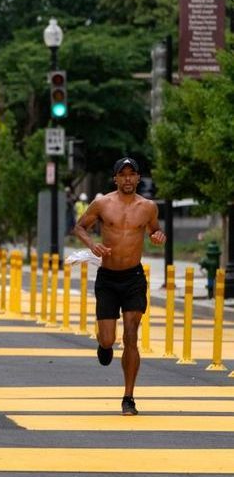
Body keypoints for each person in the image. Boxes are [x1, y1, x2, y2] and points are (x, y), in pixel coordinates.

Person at [72, 157, 166, 415]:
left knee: (131, 336)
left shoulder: (148, 207)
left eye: (131, 174)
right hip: (108, 278)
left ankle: (128, 398)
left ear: (138, 178)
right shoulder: (102, 204)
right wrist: (92, 245)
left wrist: (158, 237)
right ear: (115, 178)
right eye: (122, 174)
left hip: (133, 278)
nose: (127, 179)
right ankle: (104, 346)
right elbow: (79, 227)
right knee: (108, 338)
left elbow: (155, 232)